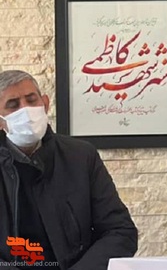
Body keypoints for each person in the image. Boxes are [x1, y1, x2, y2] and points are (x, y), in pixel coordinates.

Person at [0, 70, 138, 268]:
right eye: (13, 105)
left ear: (45, 104)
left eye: (31, 100)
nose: (26, 111)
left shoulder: (81, 156)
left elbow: (120, 231)